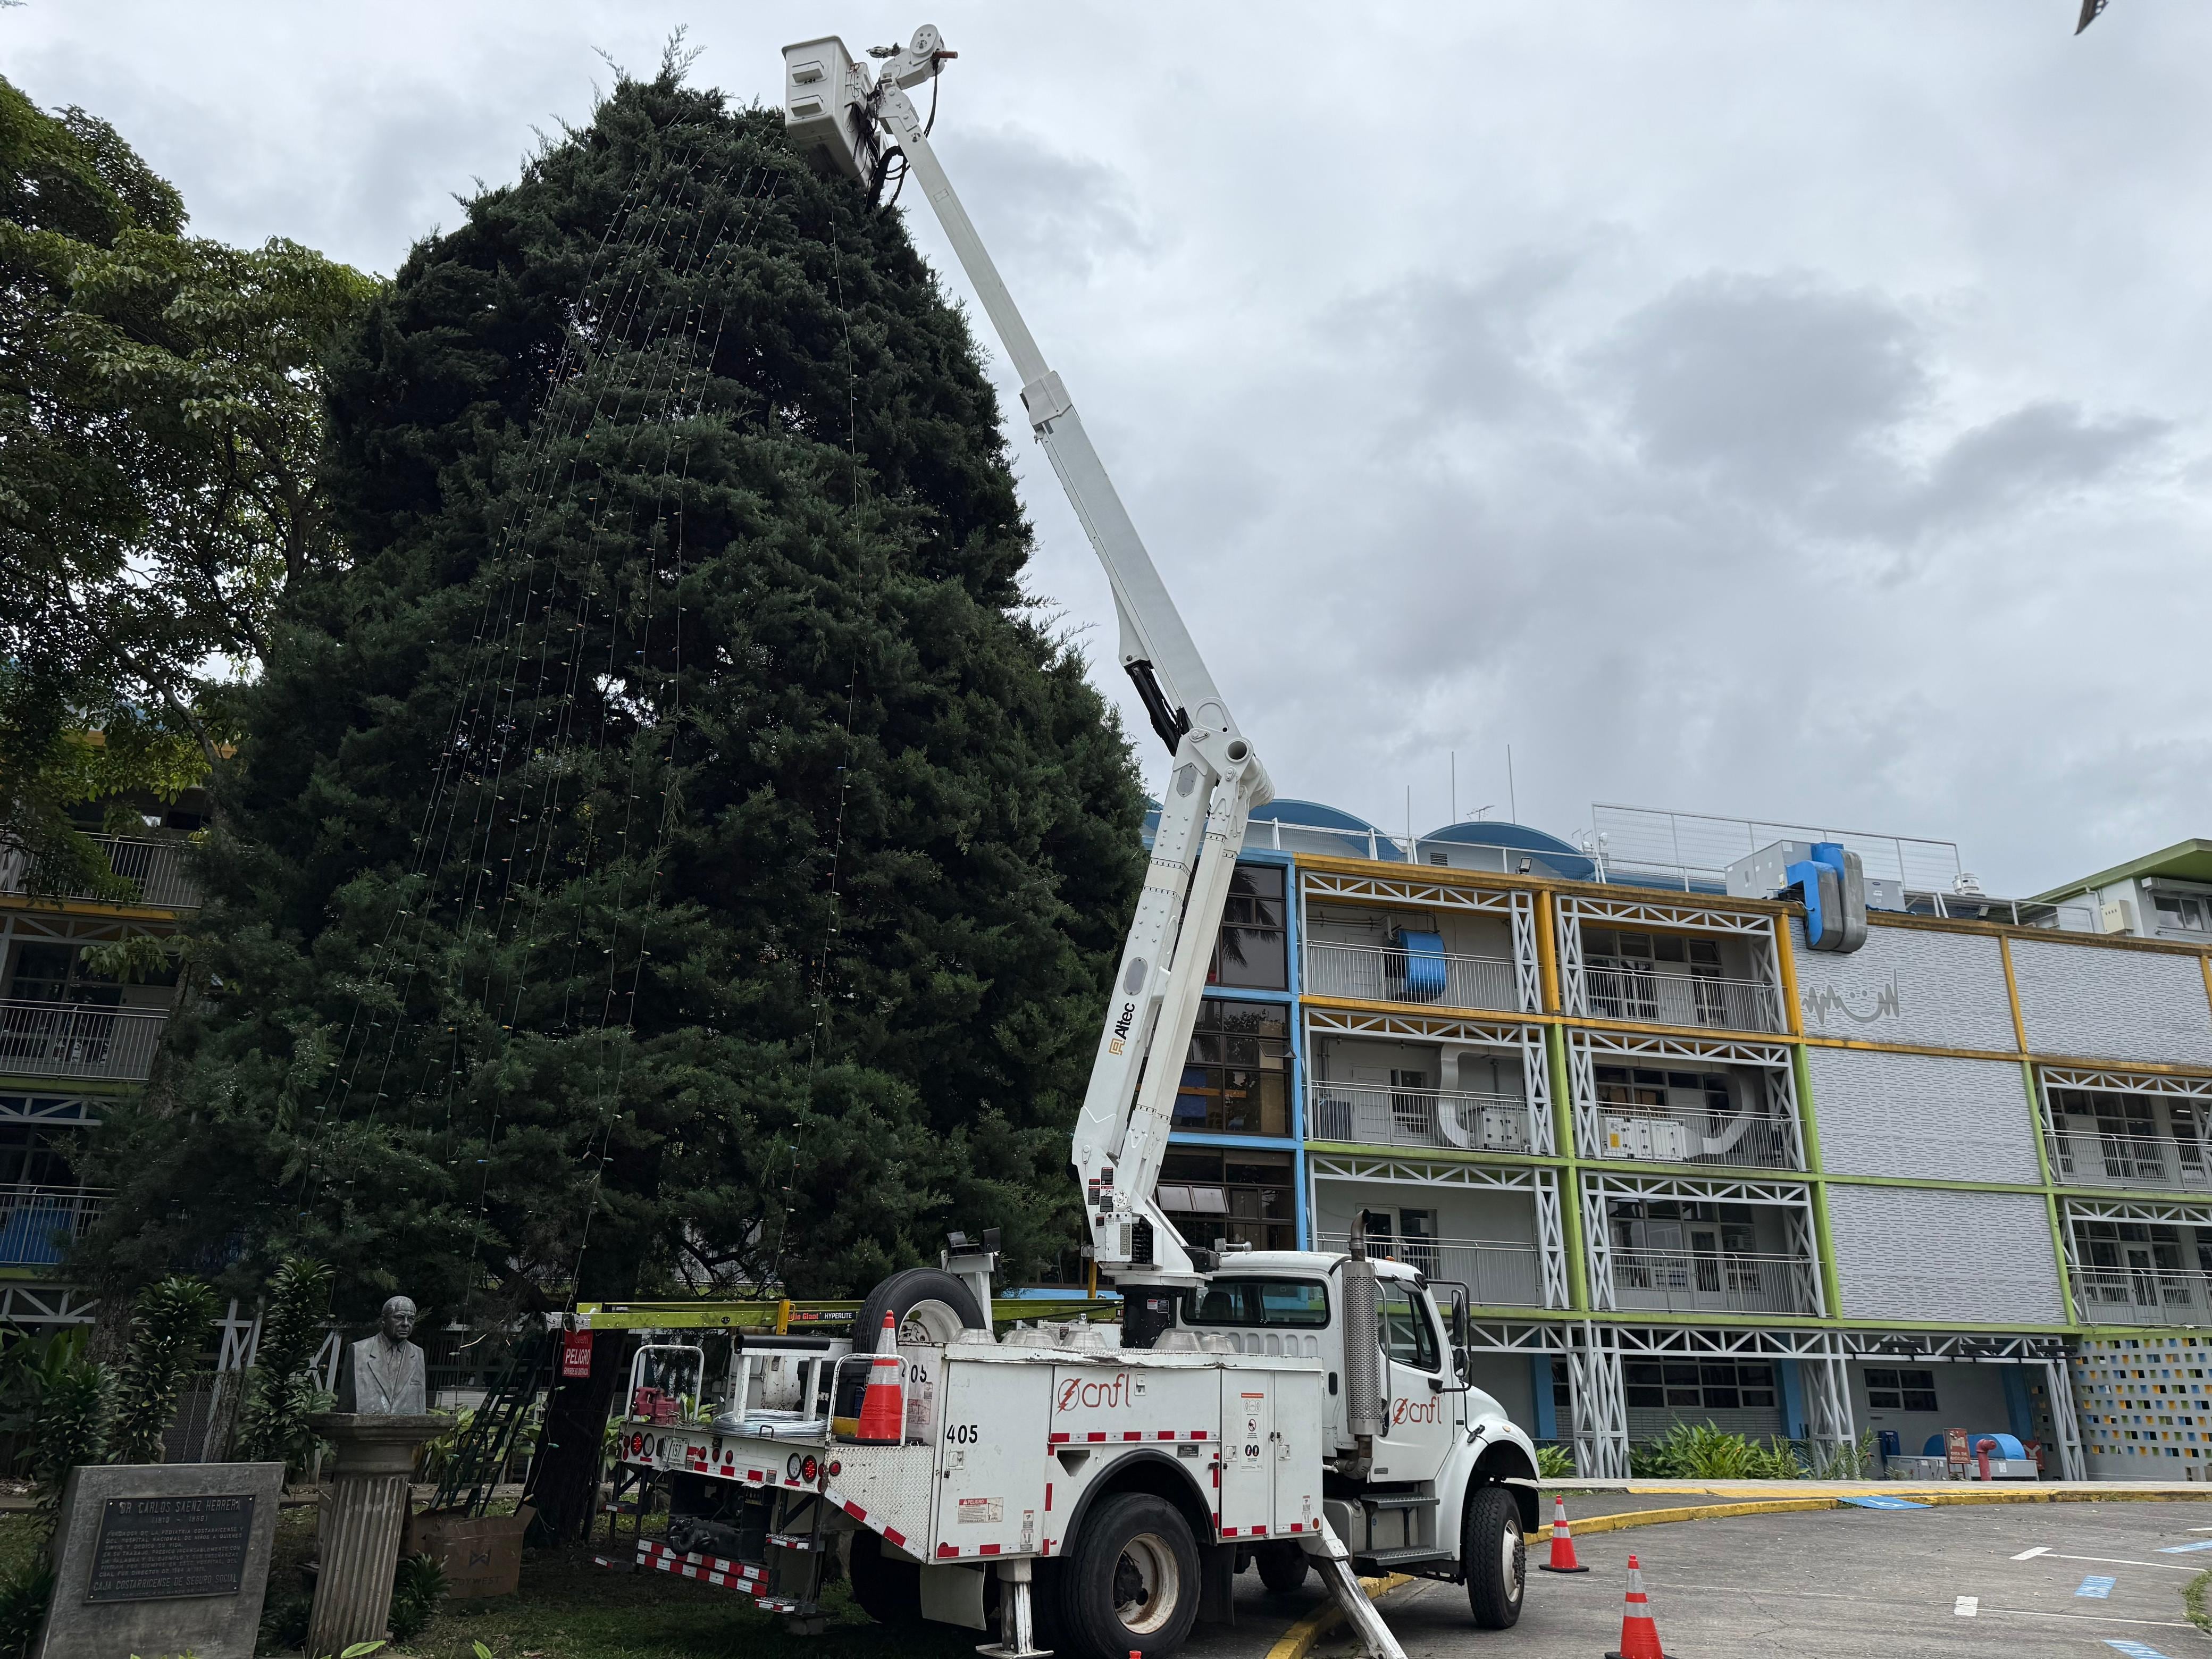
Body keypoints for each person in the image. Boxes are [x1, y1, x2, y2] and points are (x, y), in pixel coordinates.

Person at [338, 1294, 428, 1415]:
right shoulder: (359, 1350)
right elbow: (346, 1404)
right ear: (384, 1321)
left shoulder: (418, 1354)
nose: (406, 1324)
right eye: (399, 1317)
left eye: (411, 1319)